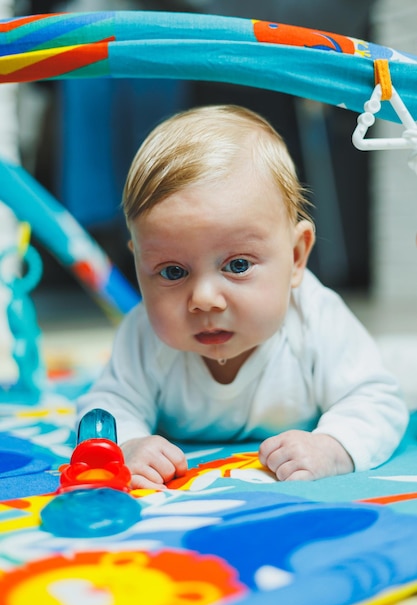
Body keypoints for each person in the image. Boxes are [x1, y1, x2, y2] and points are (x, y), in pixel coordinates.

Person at [77, 104, 409, 489]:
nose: (203, 299)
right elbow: (104, 407)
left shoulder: (315, 318)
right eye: (172, 272)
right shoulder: (143, 336)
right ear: (139, 265)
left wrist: (332, 446)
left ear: (297, 256)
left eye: (237, 265)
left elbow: (376, 399)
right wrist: (128, 445)